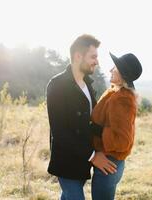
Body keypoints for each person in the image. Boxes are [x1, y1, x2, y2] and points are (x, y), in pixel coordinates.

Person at [46, 34, 117, 200]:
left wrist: (113, 135)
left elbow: (90, 122)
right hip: (67, 160)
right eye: (93, 56)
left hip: (83, 160)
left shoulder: (88, 85)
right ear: (78, 56)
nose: (97, 61)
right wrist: (93, 155)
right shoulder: (57, 85)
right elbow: (60, 132)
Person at [91, 52, 143, 200]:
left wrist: (94, 129)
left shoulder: (122, 99)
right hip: (109, 161)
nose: (110, 70)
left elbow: (121, 141)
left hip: (109, 162)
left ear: (122, 74)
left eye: (114, 67)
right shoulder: (115, 93)